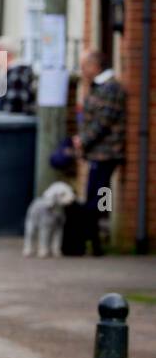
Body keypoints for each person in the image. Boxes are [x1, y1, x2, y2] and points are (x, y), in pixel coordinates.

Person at [75, 50, 126, 256]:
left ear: (95, 66)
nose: (82, 71)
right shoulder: (98, 87)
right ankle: (94, 238)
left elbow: (103, 121)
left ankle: (98, 238)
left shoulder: (110, 88)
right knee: (93, 197)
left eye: (84, 66)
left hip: (107, 154)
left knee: (100, 197)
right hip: (97, 153)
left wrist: (83, 140)